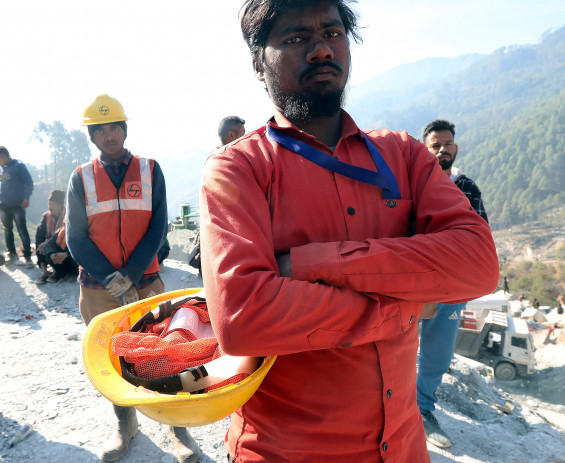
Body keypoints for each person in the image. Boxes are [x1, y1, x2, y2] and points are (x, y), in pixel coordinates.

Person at [199, 2, 499, 462]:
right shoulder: (238, 169)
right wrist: (402, 307)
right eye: (296, 39)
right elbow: (243, 318)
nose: (321, 50)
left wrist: (313, 263)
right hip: (287, 452)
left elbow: (478, 264)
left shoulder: (404, 155)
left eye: (333, 33)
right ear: (258, 63)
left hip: (403, 446)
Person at [66, 94, 199, 463]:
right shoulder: (81, 177)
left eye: (114, 128)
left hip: (145, 280)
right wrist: (111, 278)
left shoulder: (150, 169)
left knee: (162, 351)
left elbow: (158, 226)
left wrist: (131, 274)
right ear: (92, 137)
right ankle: (125, 426)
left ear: (124, 130)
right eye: (101, 130)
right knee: (109, 356)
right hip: (98, 287)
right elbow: (75, 236)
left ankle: (177, 428)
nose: (109, 135)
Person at [417, 119, 489, 449]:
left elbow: (478, 237)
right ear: (424, 149)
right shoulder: (411, 184)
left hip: (449, 287)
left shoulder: (467, 188)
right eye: (436, 145)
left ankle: (423, 410)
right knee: (395, 345)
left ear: (455, 149)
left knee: (438, 353)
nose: (443, 150)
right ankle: (393, 406)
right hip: (412, 282)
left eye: (448, 144)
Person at [187, 115, 247, 277]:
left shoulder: (214, 161)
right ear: (232, 136)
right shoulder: (225, 164)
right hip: (223, 241)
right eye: (243, 133)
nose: (246, 138)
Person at [0, 146, 34, 268]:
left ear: (3, 156)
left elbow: (28, 182)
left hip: (17, 204)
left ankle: (28, 258)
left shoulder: (18, 166)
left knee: (22, 230)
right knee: (7, 230)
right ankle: (12, 255)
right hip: (3, 205)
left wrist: (26, 198)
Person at [35, 190, 71, 284]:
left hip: (62, 246)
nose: (49, 207)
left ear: (60, 205)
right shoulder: (46, 216)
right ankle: (44, 272)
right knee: (40, 246)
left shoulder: (68, 215)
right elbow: (39, 235)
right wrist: (41, 244)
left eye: (52, 204)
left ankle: (57, 271)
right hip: (49, 246)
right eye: (48, 204)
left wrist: (49, 242)